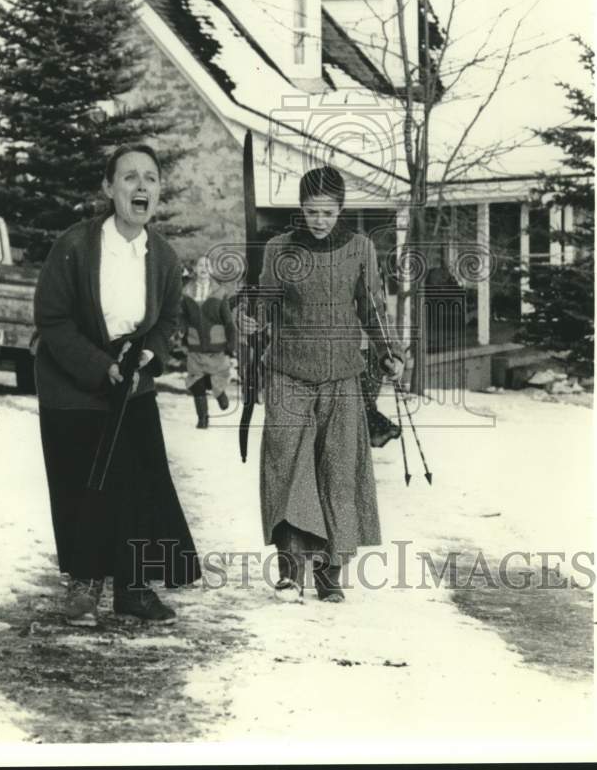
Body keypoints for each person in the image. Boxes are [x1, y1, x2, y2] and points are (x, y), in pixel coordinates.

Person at [34, 143, 201, 626]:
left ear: (159, 190)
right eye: (129, 177)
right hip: (73, 384)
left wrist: (147, 356)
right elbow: (53, 318)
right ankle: (84, 586)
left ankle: (133, 588)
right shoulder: (75, 246)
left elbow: (167, 319)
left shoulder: (164, 257)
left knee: (136, 483)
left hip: (131, 384)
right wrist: (97, 367)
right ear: (109, 188)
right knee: (82, 485)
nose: (141, 186)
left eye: (150, 177)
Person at [237, 166, 403, 604]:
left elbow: (372, 308)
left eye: (328, 212)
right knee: (286, 467)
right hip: (288, 372)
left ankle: (331, 572)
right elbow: (264, 306)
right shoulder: (279, 249)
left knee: (337, 471)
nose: (319, 220)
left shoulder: (360, 249)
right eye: (311, 211)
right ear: (301, 208)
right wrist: (249, 317)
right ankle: (290, 569)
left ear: (341, 210)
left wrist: (389, 352)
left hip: (343, 375)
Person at [180, 255, 237, 429]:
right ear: (195, 269)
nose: (203, 268)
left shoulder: (220, 292)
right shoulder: (186, 292)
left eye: (207, 265)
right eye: (200, 265)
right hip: (195, 344)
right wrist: (182, 331)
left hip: (216, 346)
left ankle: (219, 393)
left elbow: (228, 321)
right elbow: (183, 316)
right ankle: (202, 419)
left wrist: (231, 345)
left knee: (218, 376)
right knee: (195, 382)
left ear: (211, 270)